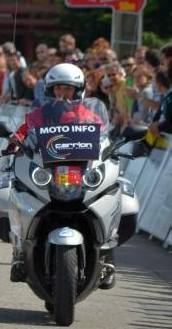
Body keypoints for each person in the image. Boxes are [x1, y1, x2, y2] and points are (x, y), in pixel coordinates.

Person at [9, 63, 112, 285]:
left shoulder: (90, 117)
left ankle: (107, 255)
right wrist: (14, 143)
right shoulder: (38, 115)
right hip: (49, 175)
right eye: (58, 89)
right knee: (9, 188)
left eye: (67, 88)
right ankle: (19, 252)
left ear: (78, 90)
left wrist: (111, 150)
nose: (63, 94)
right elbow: (22, 133)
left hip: (81, 175)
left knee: (117, 191)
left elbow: (104, 139)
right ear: (50, 90)